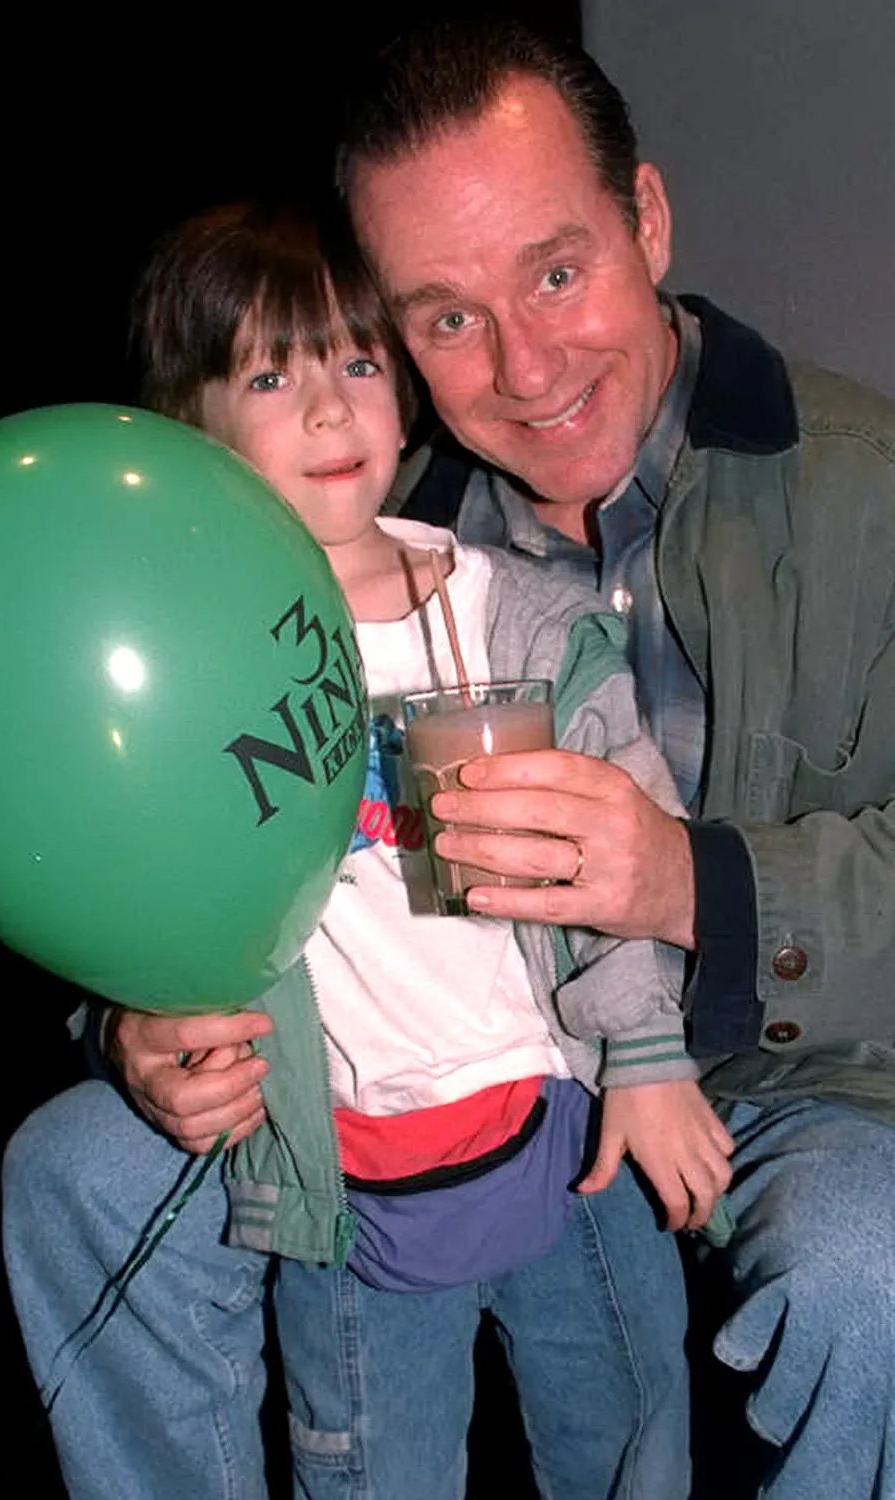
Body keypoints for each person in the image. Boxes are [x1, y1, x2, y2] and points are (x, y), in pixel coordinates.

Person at [3, 199, 734, 1500]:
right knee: (369, 1470)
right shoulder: (187, 671)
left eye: (354, 360)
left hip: (567, 1130)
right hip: (347, 1179)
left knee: (629, 1439)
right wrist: (134, 1017)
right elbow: (134, 884)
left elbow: (621, 837)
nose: (328, 408)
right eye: (268, 377)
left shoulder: (519, 621)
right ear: (191, 435)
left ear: (401, 393)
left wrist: (646, 1054)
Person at [323, 16, 895, 1500]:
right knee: (86, 1165)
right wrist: (149, 1022)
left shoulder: (871, 495)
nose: (524, 368)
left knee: (867, 1264)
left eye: (555, 274)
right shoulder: (356, 549)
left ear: (645, 220)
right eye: (448, 319)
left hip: (814, 1087)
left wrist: (689, 885)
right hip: (481, 1071)